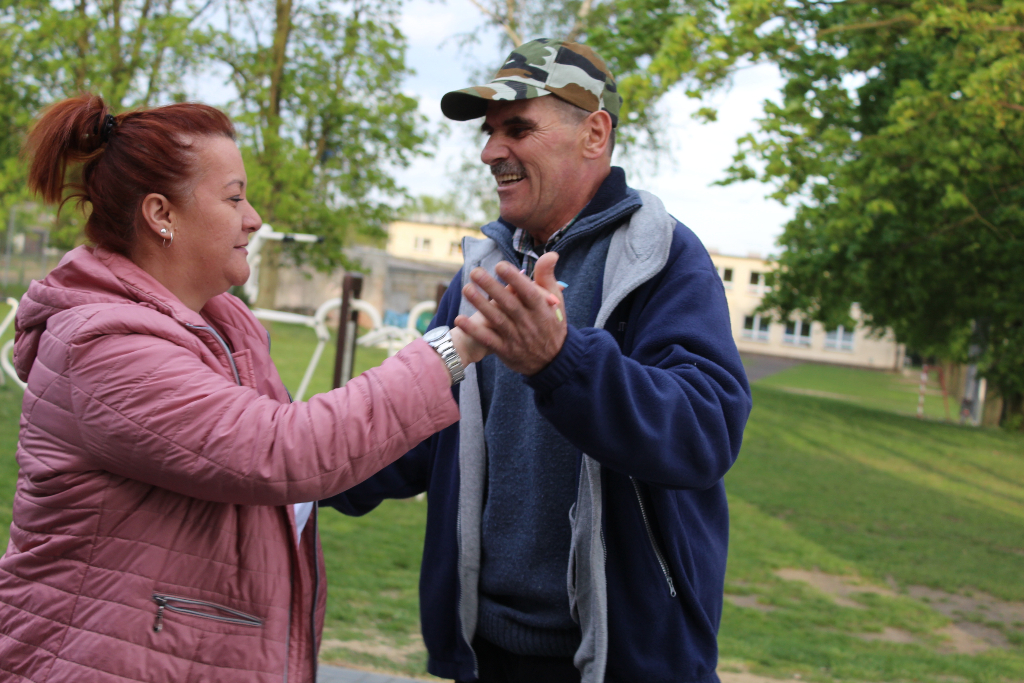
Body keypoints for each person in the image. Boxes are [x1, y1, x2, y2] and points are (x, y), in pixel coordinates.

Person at [0, 94, 512, 683]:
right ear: (160, 213)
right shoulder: (101, 345)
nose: (254, 218)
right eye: (234, 196)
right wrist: (456, 347)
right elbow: (283, 451)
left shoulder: (224, 327)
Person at [324, 38, 752, 683]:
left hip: (625, 662)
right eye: (491, 133)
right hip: (486, 652)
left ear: (594, 134)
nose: (492, 151)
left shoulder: (662, 259)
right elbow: (412, 430)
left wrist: (561, 361)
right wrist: (288, 466)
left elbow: (703, 433)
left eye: (517, 128)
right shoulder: (482, 270)